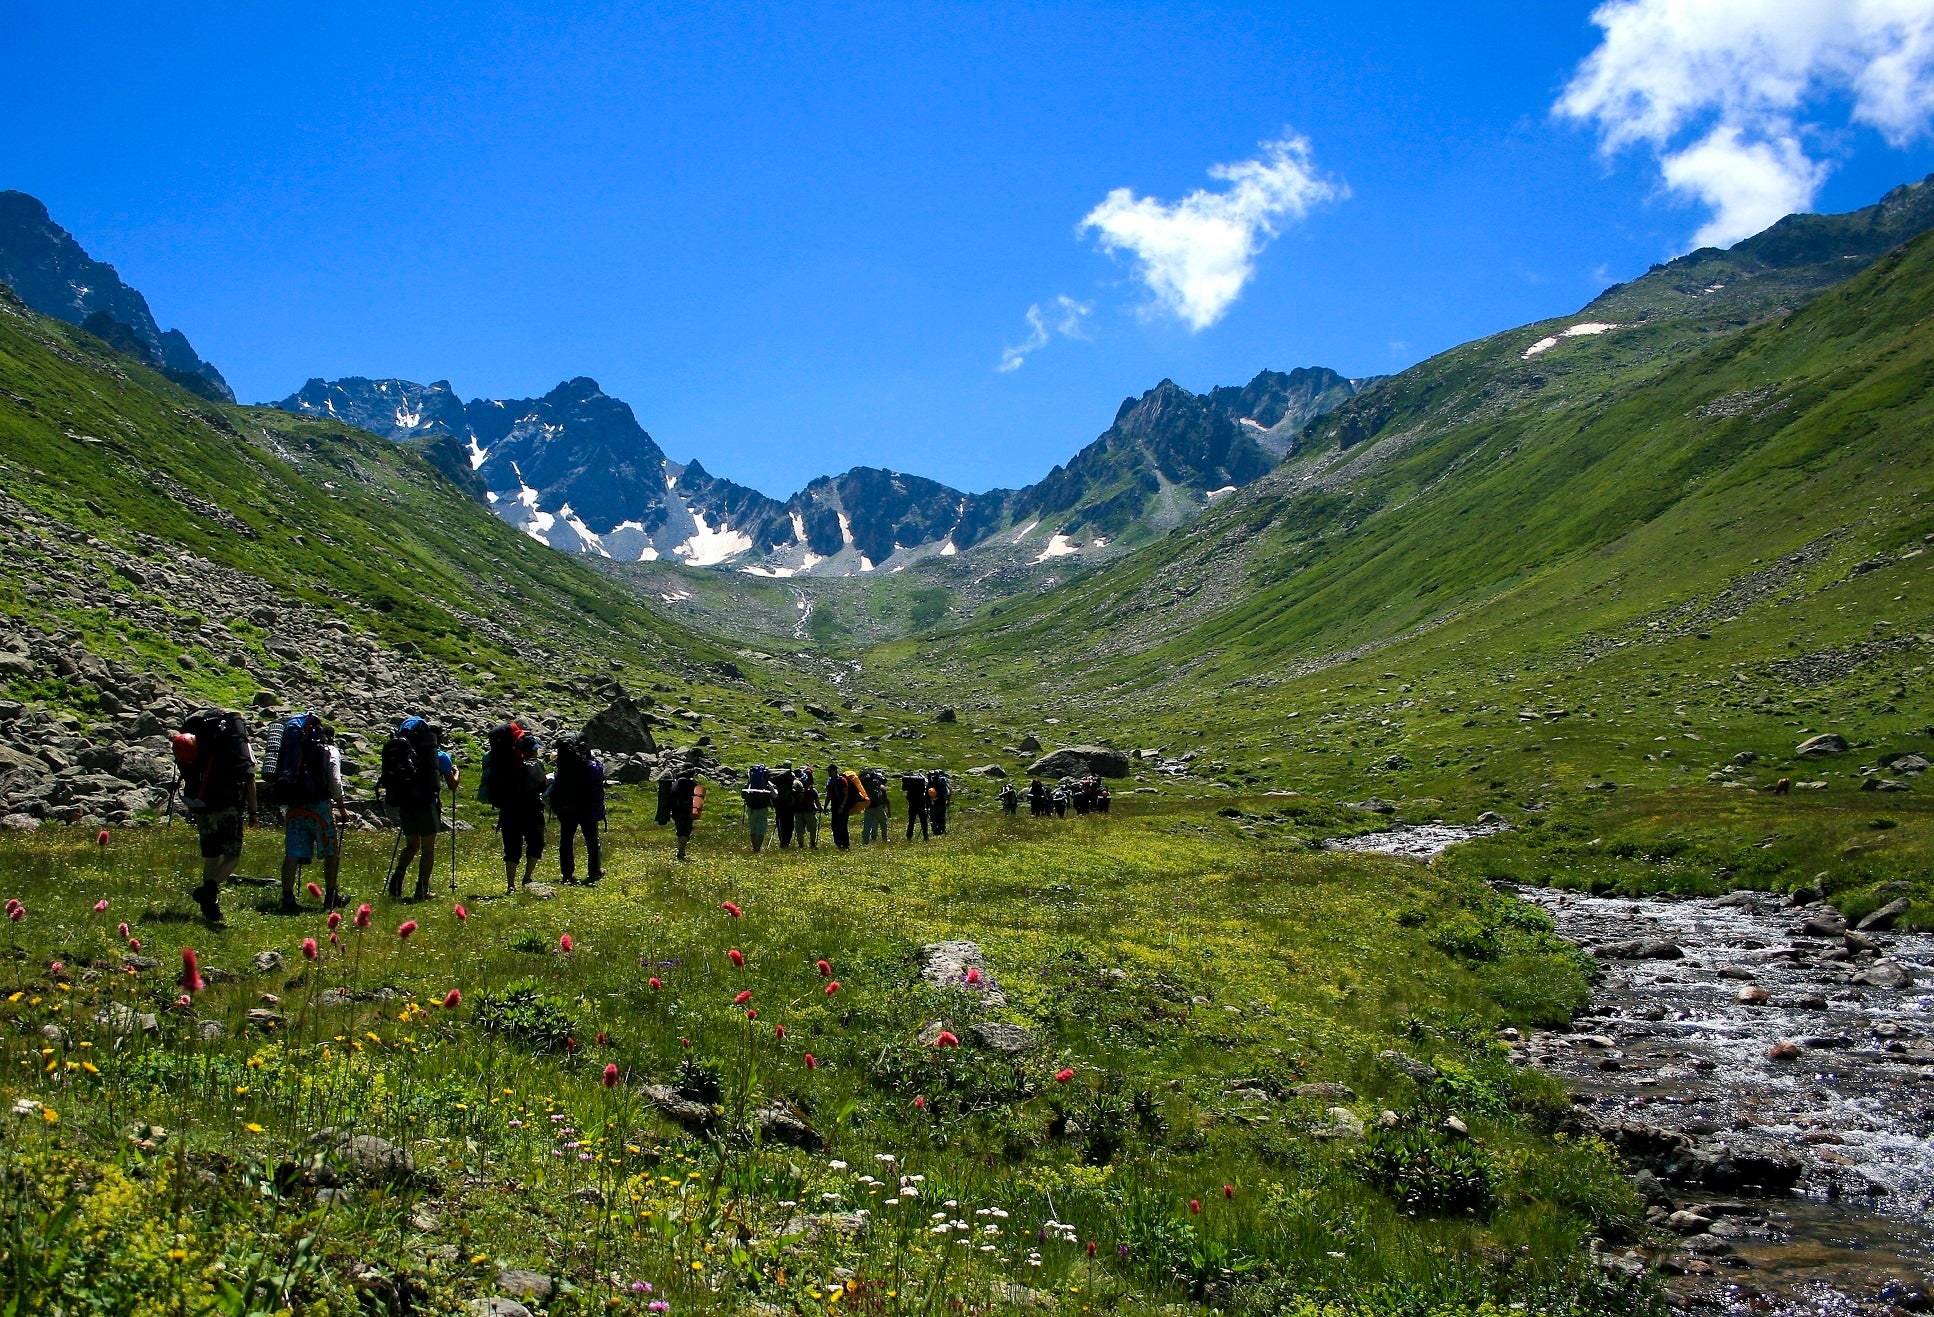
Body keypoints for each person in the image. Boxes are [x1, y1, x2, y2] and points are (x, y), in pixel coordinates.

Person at [172, 707, 257, 926]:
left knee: (212, 856)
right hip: (228, 805)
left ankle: (210, 906)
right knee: (233, 856)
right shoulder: (233, 741)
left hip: (202, 805)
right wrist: (253, 811)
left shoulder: (200, 739)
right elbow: (249, 777)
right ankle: (207, 892)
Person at [383, 717, 456, 901]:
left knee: (412, 845)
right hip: (427, 803)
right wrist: (456, 772)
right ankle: (422, 888)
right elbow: (453, 785)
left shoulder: (407, 752)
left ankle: (398, 876)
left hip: (406, 802)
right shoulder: (440, 756)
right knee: (428, 848)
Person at [279, 719, 347, 912]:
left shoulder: (296, 751)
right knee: (331, 851)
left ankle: (287, 897)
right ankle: (331, 896)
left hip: (295, 805)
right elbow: (334, 781)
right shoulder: (329, 751)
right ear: (330, 737)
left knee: (292, 852)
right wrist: (341, 807)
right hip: (319, 805)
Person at [549, 733, 606, 884]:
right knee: (592, 840)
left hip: (566, 806)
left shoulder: (562, 763)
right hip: (586, 805)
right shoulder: (585, 759)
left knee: (566, 840)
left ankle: (567, 874)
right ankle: (594, 871)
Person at [499, 734, 547, 891]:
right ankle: (527, 877)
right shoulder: (536, 765)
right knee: (536, 842)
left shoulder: (508, 765)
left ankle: (510, 885)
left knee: (512, 847)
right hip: (532, 810)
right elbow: (542, 786)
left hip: (509, 810)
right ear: (532, 751)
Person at [743, 767, 776, 852]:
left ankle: (754, 847)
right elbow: (775, 795)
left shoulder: (750, 783)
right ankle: (758, 848)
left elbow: (743, 795)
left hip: (751, 808)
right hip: (762, 808)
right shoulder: (766, 783)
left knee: (753, 828)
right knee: (760, 829)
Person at [671, 768, 700, 861]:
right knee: (686, 831)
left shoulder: (676, 782)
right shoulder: (693, 784)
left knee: (680, 830)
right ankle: (681, 851)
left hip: (676, 810)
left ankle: (681, 851)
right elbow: (698, 796)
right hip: (688, 810)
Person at [861, 768, 891, 844]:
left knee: (867, 826)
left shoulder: (866, 785)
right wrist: (888, 810)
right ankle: (885, 839)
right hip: (878, 807)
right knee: (883, 823)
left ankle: (865, 841)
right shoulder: (880, 786)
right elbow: (886, 799)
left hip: (868, 807)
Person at [826, 762, 852, 850]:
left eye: (830, 771)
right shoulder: (830, 781)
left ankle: (845, 845)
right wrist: (825, 806)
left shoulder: (842, 780)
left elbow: (846, 794)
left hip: (843, 806)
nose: (829, 773)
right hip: (834, 806)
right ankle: (838, 844)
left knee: (842, 826)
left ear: (835, 770)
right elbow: (828, 795)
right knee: (834, 826)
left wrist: (842, 806)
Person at [793, 768, 820, 848]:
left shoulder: (797, 787)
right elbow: (817, 802)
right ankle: (812, 844)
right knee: (812, 829)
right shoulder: (812, 790)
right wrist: (820, 808)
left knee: (799, 830)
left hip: (798, 810)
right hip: (809, 810)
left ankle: (801, 844)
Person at [772, 762, 797, 848]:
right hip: (789, 805)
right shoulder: (792, 776)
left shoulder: (777, 777)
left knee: (780, 824)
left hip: (779, 804)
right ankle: (786, 842)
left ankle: (782, 842)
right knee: (789, 825)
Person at [902, 771, 930, 841]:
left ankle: (909, 836)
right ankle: (925, 836)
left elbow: (904, 789)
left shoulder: (910, 783)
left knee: (911, 821)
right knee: (923, 821)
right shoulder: (922, 782)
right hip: (921, 804)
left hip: (912, 804)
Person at [929, 769, 952, 835]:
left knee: (934, 817)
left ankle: (936, 831)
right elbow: (949, 792)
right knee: (942, 816)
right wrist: (948, 801)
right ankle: (942, 829)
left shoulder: (932, 782)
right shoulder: (944, 782)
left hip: (934, 803)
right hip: (943, 801)